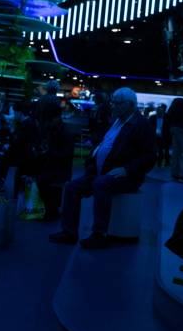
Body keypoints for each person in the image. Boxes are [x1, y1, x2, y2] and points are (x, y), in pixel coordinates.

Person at [49, 87, 156, 249]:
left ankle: (99, 234)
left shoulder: (141, 125)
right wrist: (91, 163)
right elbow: (103, 145)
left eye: (118, 103)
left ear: (130, 104)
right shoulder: (117, 121)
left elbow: (149, 156)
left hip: (126, 176)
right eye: (114, 102)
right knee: (71, 187)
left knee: (101, 184)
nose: (114, 106)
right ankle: (69, 232)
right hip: (102, 172)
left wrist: (127, 169)